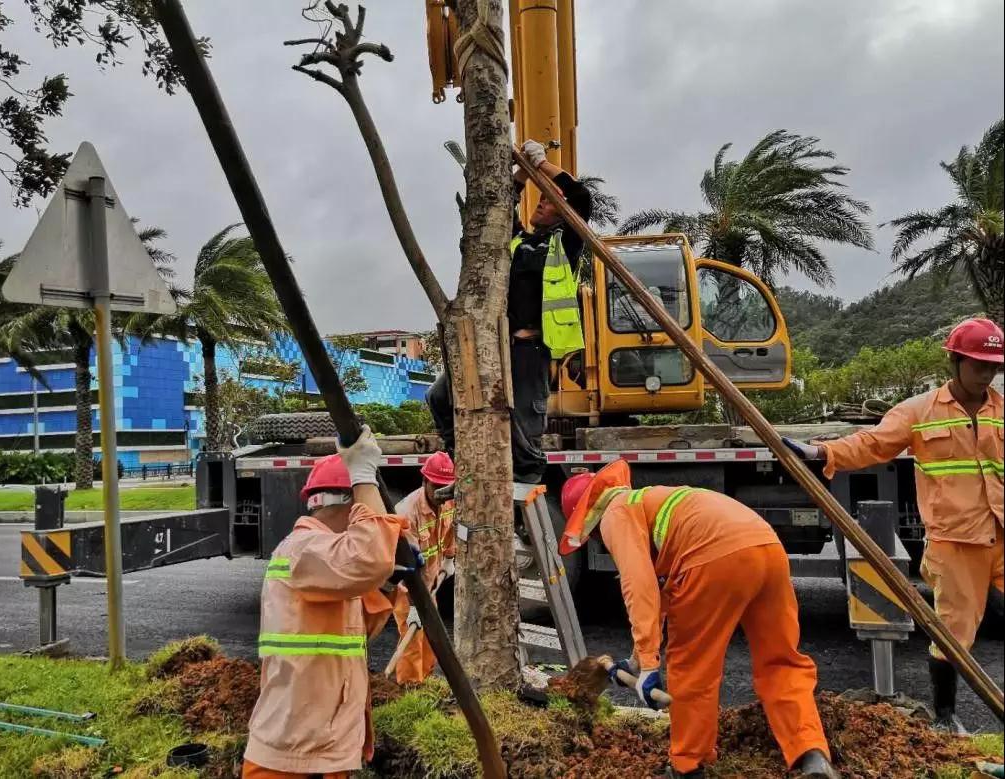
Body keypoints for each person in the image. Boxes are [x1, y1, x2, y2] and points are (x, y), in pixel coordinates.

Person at [784, 317, 1004, 734]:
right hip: (957, 541)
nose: (987, 374)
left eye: (993, 367)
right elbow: (873, 444)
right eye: (979, 365)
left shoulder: (1001, 410)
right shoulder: (920, 411)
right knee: (953, 634)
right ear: (956, 362)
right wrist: (822, 452)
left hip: (1002, 532)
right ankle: (945, 718)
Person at [559, 460, 838, 779]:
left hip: (714, 556)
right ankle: (811, 752)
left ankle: (687, 765)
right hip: (767, 548)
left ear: (587, 519)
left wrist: (650, 666)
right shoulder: (647, 501)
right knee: (781, 660)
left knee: (691, 666)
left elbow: (639, 586)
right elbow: (659, 595)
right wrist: (637, 661)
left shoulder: (614, 514)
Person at [242, 426, 417, 779]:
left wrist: (387, 583)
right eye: (363, 507)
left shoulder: (328, 560)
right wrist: (364, 476)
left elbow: (357, 631)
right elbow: (368, 557)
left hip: (321, 745)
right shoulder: (303, 549)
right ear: (350, 506)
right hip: (291, 752)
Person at [427, 138, 593, 483]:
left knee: (523, 431)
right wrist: (521, 172)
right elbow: (502, 204)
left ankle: (526, 489)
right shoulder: (516, 241)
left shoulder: (565, 244)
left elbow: (580, 198)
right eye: (540, 197)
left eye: (549, 200)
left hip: (529, 350)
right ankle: (463, 459)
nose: (541, 202)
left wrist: (540, 164)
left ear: (562, 214)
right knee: (440, 397)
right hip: (494, 346)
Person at [391, 451, 458, 684]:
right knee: (412, 638)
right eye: (436, 486)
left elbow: (451, 530)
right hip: (408, 587)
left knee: (431, 637)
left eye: (445, 487)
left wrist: (449, 559)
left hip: (430, 581)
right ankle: (409, 688)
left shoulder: (449, 501)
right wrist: (413, 606)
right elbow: (406, 567)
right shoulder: (407, 514)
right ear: (424, 481)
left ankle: (425, 683)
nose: (441, 493)